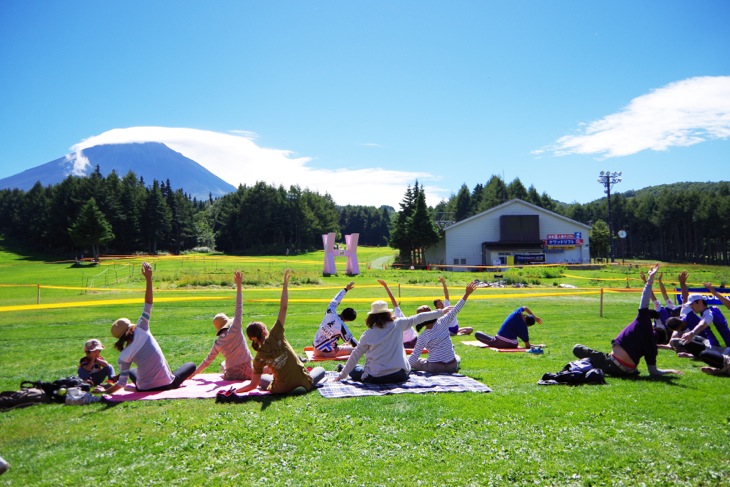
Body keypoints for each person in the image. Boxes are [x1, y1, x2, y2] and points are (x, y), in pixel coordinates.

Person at [101, 262, 196, 395]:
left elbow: (121, 384)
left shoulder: (123, 356)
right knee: (191, 365)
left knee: (132, 372)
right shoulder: (142, 328)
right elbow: (149, 303)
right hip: (168, 384)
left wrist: (104, 392)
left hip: (143, 388)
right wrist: (148, 278)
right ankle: (167, 376)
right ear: (131, 326)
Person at [573, 263, 682, 377]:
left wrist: (649, 280)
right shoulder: (652, 348)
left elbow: (644, 301)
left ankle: (593, 364)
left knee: (577, 348)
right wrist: (669, 370)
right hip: (626, 372)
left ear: (654, 327)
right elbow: (653, 372)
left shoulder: (644, 324)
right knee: (594, 360)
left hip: (612, 363)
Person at [235, 269, 325, 395]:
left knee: (261, 378)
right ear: (264, 330)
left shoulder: (258, 357)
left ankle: (287, 385)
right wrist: (285, 284)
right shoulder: (275, 334)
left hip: (280, 389)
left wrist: (234, 391)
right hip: (302, 382)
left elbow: (252, 385)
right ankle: (302, 384)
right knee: (320, 369)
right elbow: (283, 307)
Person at [335, 299, 449, 384]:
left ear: (371, 317)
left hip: (376, 377)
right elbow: (419, 318)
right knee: (359, 369)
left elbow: (355, 355)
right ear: (388, 313)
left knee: (357, 370)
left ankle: (343, 369)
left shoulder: (368, 334)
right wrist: (440, 312)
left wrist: (342, 375)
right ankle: (345, 369)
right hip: (399, 375)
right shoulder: (398, 324)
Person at [192, 270, 253, 380]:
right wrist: (239, 286)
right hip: (248, 372)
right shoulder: (235, 329)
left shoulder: (218, 343)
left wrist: (193, 374)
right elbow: (239, 307)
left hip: (231, 375)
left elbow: (207, 361)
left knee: (223, 364)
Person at [409, 280, 479, 374]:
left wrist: (403, 368)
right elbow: (457, 308)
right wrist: (467, 294)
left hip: (435, 367)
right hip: (452, 366)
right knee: (456, 357)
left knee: (413, 361)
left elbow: (414, 356)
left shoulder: (423, 336)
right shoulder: (443, 321)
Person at [312, 281, 358, 359]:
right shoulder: (342, 327)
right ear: (348, 320)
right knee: (353, 350)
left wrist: (345, 289)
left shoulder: (330, 312)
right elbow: (353, 341)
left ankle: (338, 348)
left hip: (315, 348)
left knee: (344, 345)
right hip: (327, 353)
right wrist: (363, 348)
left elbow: (335, 300)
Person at [474, 306, 543, 349]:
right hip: (513, 344)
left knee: (477, 334)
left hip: (500, 342)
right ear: (528, 325)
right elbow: (527, 345)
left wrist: (535, 317)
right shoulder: (523, 328)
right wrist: (537, 345)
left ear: (526, 316)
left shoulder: (517, 313)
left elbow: (525, 307)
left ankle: (494, 340)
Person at [378, 279, 418, 348]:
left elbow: (393, 300)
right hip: (404, 344)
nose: (390, 313)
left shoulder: (397, 313)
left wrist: (386, 286)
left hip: (414, 339)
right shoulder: (387, 324)